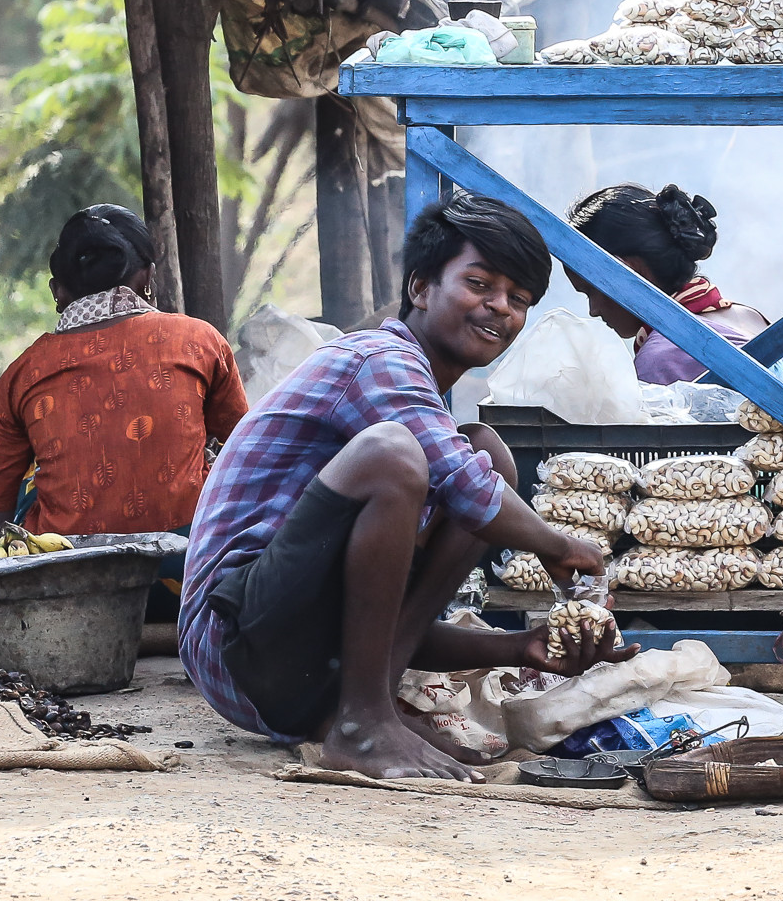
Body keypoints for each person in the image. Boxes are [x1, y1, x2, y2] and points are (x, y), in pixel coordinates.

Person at [180, 192, 637, 781]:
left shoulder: (433, 404)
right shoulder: (380, 359)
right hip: (234, 645)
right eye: (480, 284)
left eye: (518, 299)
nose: (500, 307)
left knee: (487, 452)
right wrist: (558, 544)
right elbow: (466, 489)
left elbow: (375, 609)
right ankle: (361, 721)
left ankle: (367, 709)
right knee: (397, 454)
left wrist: (518, 647)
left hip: (300, 667)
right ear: (421, 288)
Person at [0, 205, 248, 554]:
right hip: (189, 560)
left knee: (29, 468)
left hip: (69, 570)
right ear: (147, 278)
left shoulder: (22, 374)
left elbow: (1, 497)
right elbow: (247, 447)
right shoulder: (199, 340)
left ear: (57, 291)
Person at [566, 183, 783, 386]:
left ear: (626, 270)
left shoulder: (663, 358)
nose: (593, 310)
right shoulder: (747, 315)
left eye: (592, 290)